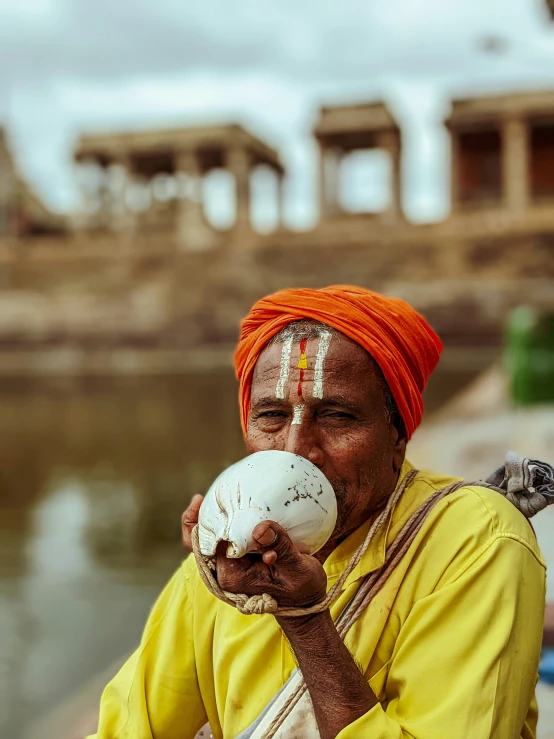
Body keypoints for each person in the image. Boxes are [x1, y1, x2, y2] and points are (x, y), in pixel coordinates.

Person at [88, 285, 546, 739]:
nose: (296, 449)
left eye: (337, 417)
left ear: (398, 436)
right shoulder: (226, 555)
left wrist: (304, 617)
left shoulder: (478, 537)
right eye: (271, 416)